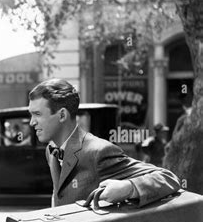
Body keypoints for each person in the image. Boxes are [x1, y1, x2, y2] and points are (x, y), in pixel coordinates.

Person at [28, 78, 180, 207]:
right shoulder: (51, 150)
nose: (31, 122)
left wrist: (128, 187)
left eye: (37, 114)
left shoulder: (98, 152)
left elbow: (168, 178)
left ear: (62, 115)